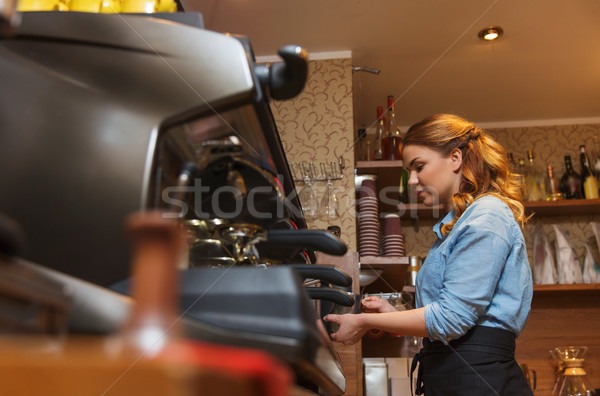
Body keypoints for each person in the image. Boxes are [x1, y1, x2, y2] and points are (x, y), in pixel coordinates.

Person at [324, 114, 533, 395]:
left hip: (478, 378)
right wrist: (393, 313)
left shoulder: (487, 215)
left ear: (455, 158)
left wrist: (366, 320)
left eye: (418, 167)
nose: (412, 180)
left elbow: (451, 319)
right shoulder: (454, 226)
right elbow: (449, 314)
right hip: (456, 375)